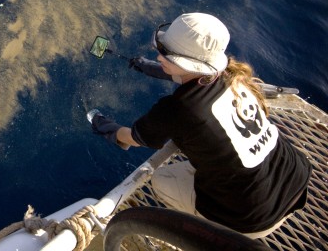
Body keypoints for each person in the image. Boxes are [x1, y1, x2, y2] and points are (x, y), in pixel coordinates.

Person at [90, 13, 311, 238]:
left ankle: (208, 232)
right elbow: (193, 77)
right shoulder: (233, 75)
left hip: (253, 218)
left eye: (164, 53)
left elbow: (133, 138)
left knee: (161, 179)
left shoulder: (178, 109)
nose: (158, 56)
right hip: (295, 178)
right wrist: (146, 66)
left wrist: (101, 123)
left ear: (185, 62)